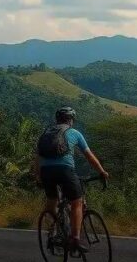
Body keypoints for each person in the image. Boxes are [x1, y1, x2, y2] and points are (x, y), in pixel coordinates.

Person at [36, 106, 109, 254]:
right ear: (71, 120)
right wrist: (102, 172)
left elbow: (37, 158)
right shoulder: (74, 133)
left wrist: (38, 177)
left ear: (57, 119)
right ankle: (75, 239)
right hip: (65, 170)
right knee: (77, 202)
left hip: (46, 172)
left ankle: (55, 231)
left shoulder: (46, 133)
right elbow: (89, 156)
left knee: (52, 203)